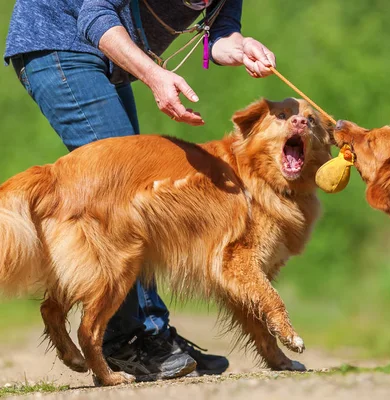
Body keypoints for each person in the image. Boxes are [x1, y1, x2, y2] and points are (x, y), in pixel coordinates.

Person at [4, 0, 276, 382]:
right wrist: (154, 75)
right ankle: (129, 339)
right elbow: (94, 16)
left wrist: (238, 45)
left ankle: (148, 332)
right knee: (121, 199)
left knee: (135, 199)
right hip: (59, 41)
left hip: (109, 60)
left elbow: (220, 31)